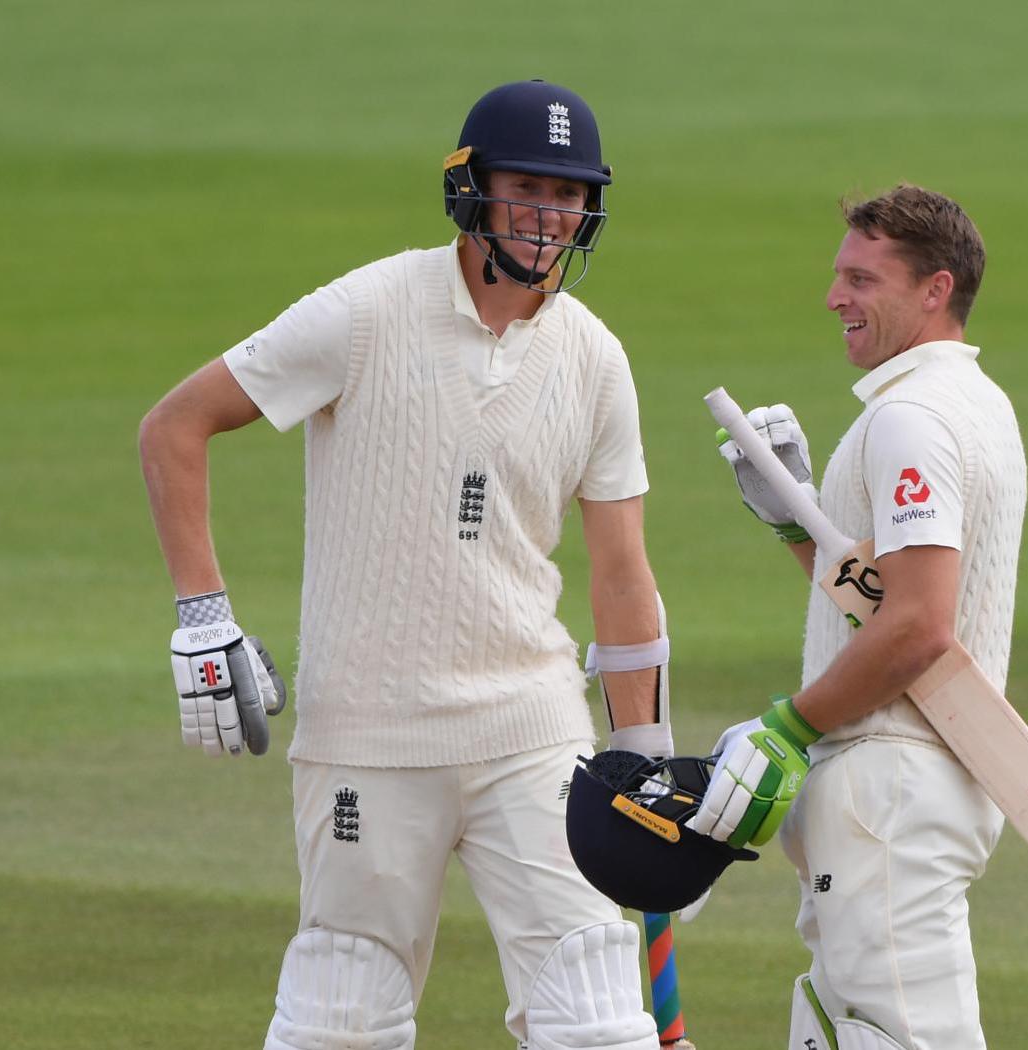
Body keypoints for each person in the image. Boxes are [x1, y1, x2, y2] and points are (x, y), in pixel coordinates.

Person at [139, 80, 671, 1050]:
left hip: (531, 729)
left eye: (568, 195)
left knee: (598, 1022)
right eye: (525, 188)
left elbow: (622, 572)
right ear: (469, 189)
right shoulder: (367, 310)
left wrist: (643, 760)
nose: (548, 216)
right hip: (368, 734)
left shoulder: (597, 359)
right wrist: (204, 618)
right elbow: (175, 426)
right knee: (342, 1020)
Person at [688, 185, 1026, 1050]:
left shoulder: (912, 419)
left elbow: (918, 628)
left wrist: (790, 725)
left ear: (935, 289)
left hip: (892, 785)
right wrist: (799, 523)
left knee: (899, 1037)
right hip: (908, 784)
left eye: (862, 280)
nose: (835, 296)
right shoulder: (972, 401)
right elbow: (884, 605)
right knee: (839, 1029)